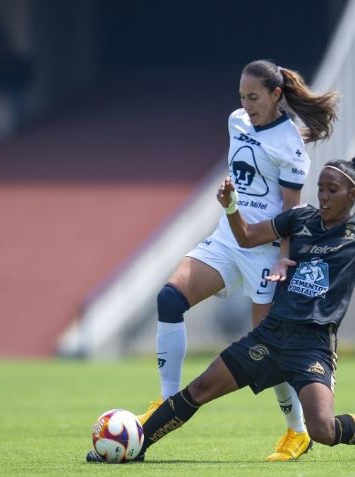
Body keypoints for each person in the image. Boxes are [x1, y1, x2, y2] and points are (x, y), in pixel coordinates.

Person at [86, 156, 355, 463]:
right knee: (200, 389)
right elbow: (246, 238)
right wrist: (230, 207)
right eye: (321, 188)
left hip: (313, 345)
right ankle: (137, 447)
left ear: (353, 195)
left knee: (324, 430)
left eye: (333, 190)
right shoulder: (300, 219)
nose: (324, 196)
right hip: (272, 333)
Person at [140, 59, 339, 462]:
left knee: (269, 348)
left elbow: (291, 214)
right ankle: (164, 401)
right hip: (227, 240)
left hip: (265, 250)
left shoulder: (290, 148)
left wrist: (285, 260)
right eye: (241, 96)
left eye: (253, 97)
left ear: (275, 95)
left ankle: (297, 432)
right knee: (169, 299)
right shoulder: (237, 121)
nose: (245, 104)